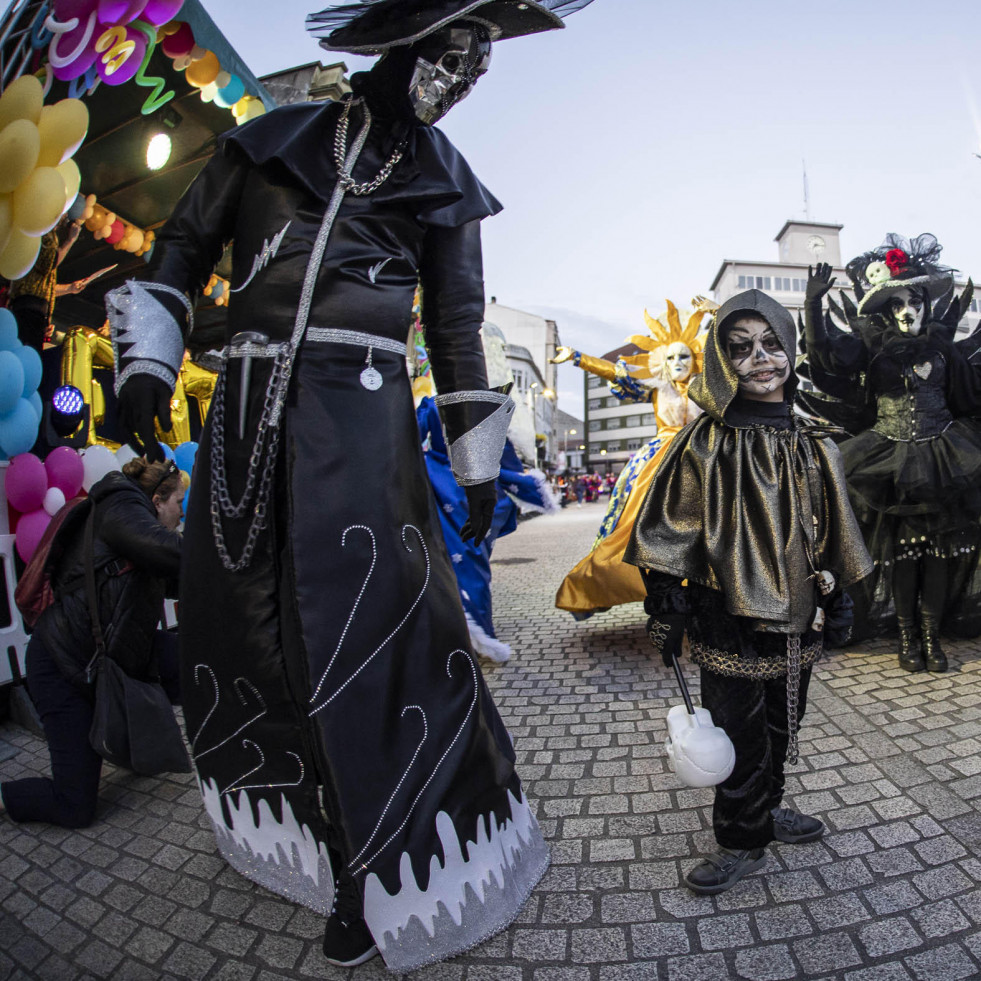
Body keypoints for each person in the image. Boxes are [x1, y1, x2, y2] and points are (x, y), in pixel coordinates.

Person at [105, 0, 595, 971]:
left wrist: (479, 469)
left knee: (367, 646)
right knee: (257, 636)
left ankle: (373, 869)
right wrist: (143, 369)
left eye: (480, 69)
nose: (462, 80)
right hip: (244, 423)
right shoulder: (267, 143)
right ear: (404, 39)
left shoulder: (446, 186)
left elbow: (457, 338)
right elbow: (176, 258)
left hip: (360, 436)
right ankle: (318, 839)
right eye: (453, 55)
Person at [624, 289, 872, 895]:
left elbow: (835, 528)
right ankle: (741, 837)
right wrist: (668, 602)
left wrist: (839, 601)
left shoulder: (815, 438)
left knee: (787, 719)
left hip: (800, 610)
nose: (761, 359)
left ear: (790, 349)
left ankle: (768, 806)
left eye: (771, 345)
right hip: (726, 610)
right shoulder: (705, 442)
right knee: (739, 727)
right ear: (721, 361)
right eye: (741, 350)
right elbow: (669, 527)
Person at [801, 236, 981, 672]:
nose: (906, 311)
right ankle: (906, 637)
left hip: (943, 460)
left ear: (925, 305)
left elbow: (968, 398)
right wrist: (811, 307)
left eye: (914, 301)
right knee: (903, 554)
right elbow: (826, 358)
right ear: (886, 310)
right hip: (887, 464)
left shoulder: (943, 350)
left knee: (937, 553)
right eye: (897, 303)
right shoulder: (871, 348)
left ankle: (931, 636)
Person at [0, 458, 183, 829]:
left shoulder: (136, 528)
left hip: (111, 657)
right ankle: (5, 797)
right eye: (180, 502)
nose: (182, 513)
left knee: (202, 665)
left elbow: (183, 580)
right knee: (75, 807)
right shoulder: (120, 504)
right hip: (61, 669)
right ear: (158, 500)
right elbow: (170, 551)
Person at [553, 301, 708, 619]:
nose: (678, 362)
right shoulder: (658, 388)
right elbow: (615, 371)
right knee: (634, 524)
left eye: (685, 355)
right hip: (659, 462)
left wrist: (719, 313)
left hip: (703, 456)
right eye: (671, 356)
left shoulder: (706, 387)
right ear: (662, 362)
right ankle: (598, 586)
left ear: (696, 359)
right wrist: (578, 358)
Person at [7, 217, 110, 353]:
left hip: (35, 308)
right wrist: (70, 241)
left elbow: (45, 287)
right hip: (28, 306)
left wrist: (70, 288)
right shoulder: (43, 234)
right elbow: (48, 264)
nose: (66, 216)